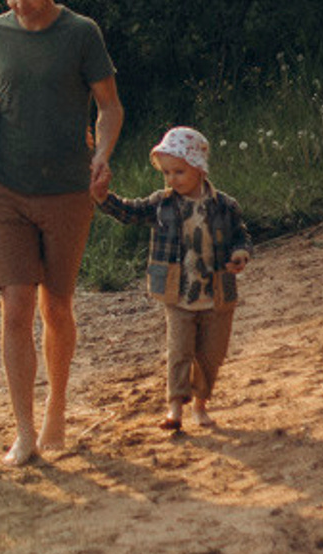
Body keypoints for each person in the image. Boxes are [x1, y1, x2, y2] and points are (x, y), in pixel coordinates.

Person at [0, 0, 123, 464]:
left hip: (69, 192)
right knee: (14, 308)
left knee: (57, 306)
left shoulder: (81, 33)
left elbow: (110, 106)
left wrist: (101, 154)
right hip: (6, 191)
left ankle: (56, 404)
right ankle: (25, 430)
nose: (21, 4)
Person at [92, 126, 251, 429]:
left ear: (199, 169)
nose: (171, 179)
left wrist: (241, 254)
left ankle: (200, 405)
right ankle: (175, 407)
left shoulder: (225, 207)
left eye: (178, 171)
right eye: (166, 172)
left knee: (210, 354)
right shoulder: (161, 204)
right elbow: (130, 212)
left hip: (216, 295)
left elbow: (240, 237)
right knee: (179, 350)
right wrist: (103, 199)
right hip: (177, 294)